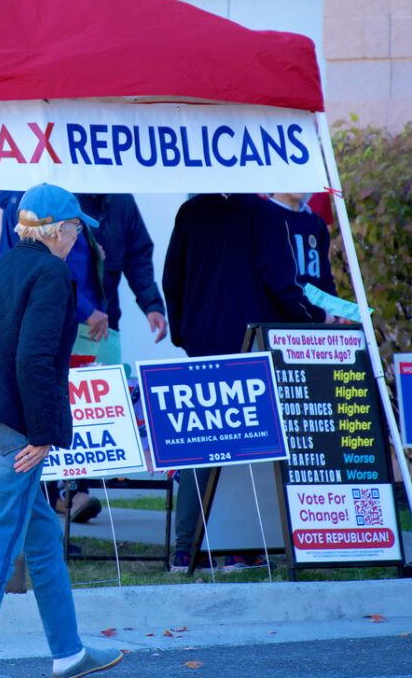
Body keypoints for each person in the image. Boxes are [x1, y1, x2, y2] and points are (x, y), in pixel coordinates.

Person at [0, 183, 123, 678]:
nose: (78, 240)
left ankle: (68, 654)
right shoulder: (52, 274)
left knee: (40, 533)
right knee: (1, 543)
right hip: (18, 427)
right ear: (62, 229)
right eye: (76, 231)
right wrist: (42, 433)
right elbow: (36, 359)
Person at [162, 193, 327, 571]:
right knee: (249, 447)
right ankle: (238, 548)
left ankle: (186, 550)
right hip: (250, 341)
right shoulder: (264, 213)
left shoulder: (190, 210)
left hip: (203, 341)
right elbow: (281, 282)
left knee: (199, 443)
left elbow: (172, 280)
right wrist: (312, 322)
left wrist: (183, 333)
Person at [0, 192, 168, 523]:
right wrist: (85, 309)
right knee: (49, 406)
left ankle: (73, 491)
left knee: (89, 412)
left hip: (99, 329)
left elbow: (137, 254)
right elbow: (35, 266)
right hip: (58, 321)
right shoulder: (39, 199)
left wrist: (151, 303)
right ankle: (55, 496)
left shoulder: (120, 201)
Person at [267, 192, 338, 297]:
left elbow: (325, 280)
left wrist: (335, 311)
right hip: (279, 309)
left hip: (314, 310)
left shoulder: (316, 222)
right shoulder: (263, 219)